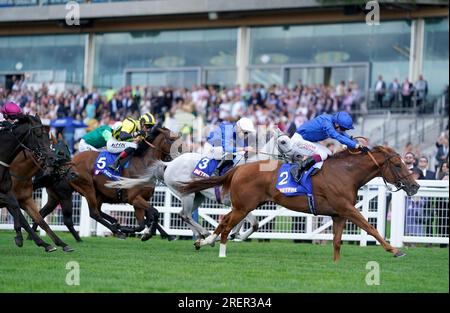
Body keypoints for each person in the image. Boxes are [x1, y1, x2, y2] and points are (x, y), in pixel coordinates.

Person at [288, 111, 368, 182]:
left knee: (328, 153)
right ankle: (298, 168)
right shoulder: (326, 122)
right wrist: (356, 145)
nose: (344, 130)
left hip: (308, 141)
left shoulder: (335, 123)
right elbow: (338, 136)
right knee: (322, 154)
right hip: (298, 140)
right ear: (337, 124)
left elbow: (344, 135)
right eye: (343, 128)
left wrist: (357, 144)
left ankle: (311, 172)